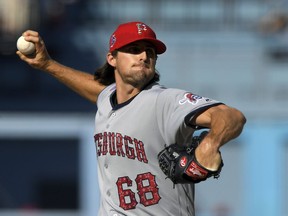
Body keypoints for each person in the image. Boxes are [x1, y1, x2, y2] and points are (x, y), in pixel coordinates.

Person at [17, 21, 246, 216]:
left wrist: (210, 143)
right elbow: (97, 90)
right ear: (112, 59)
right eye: (134, 49)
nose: (144, 56)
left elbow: (231, 116)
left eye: (150, 52)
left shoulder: (164, 101)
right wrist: (48, 65)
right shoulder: (107, 98)